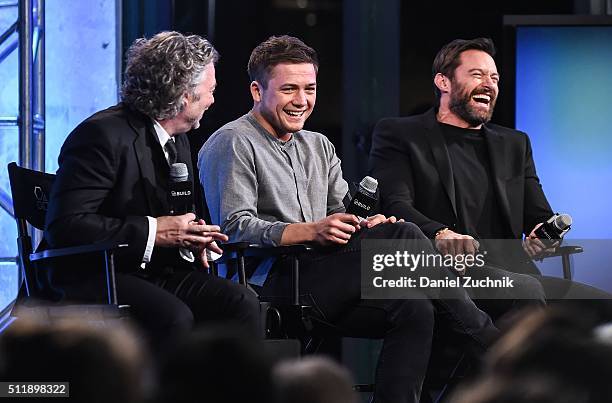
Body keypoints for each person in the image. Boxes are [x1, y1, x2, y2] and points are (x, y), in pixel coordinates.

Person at [199, 34, 510, 403]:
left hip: (329, 273)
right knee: (406, 234)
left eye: (310, 89)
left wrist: (364, 224)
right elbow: (234, 228)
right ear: (256, 90)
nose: (302, 101)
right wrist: (312, 231)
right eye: (289, 89)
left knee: (414, 305)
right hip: (272, 281)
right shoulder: (232, 141)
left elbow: (338, 213)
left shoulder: (319, 145)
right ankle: (492, 342)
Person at [44, 31, 260, 353]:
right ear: (184, 95)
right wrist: (154, 231)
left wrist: (193, 240)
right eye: (209, 91)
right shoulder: (101, 135)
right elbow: (66, 227)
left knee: (242, 302)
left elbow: (177, 215)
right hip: (94, 273)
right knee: (172, 316)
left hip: (154, 270)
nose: (214, 100)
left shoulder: (180, 138)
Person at [369, 37, 612, 306]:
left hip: (513, 272)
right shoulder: (401, 134)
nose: (489, 84)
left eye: (495, 78)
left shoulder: (514, 144)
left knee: (601, 306)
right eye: (477, 75)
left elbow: (538, 215)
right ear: (443, 82)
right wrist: (440, 233)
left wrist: (544, 237)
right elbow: (395, 204)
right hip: (443, 274)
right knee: (526, 292)